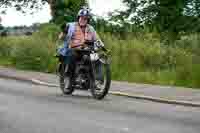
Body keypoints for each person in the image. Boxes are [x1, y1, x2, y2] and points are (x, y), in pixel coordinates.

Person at [57, 7, 103, 81]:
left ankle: (97, 79)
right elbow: (61, 38)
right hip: (75, 50)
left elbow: (97, 39)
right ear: (78, 18)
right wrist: (64, 32)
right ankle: (69, 77)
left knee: (97, 58)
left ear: (88, 20)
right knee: (72, 55)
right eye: (81, 18)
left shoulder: (91, 28)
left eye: (85, 19)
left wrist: (102, 47)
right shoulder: (71, 26)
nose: (83, 20)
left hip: (88, 51)